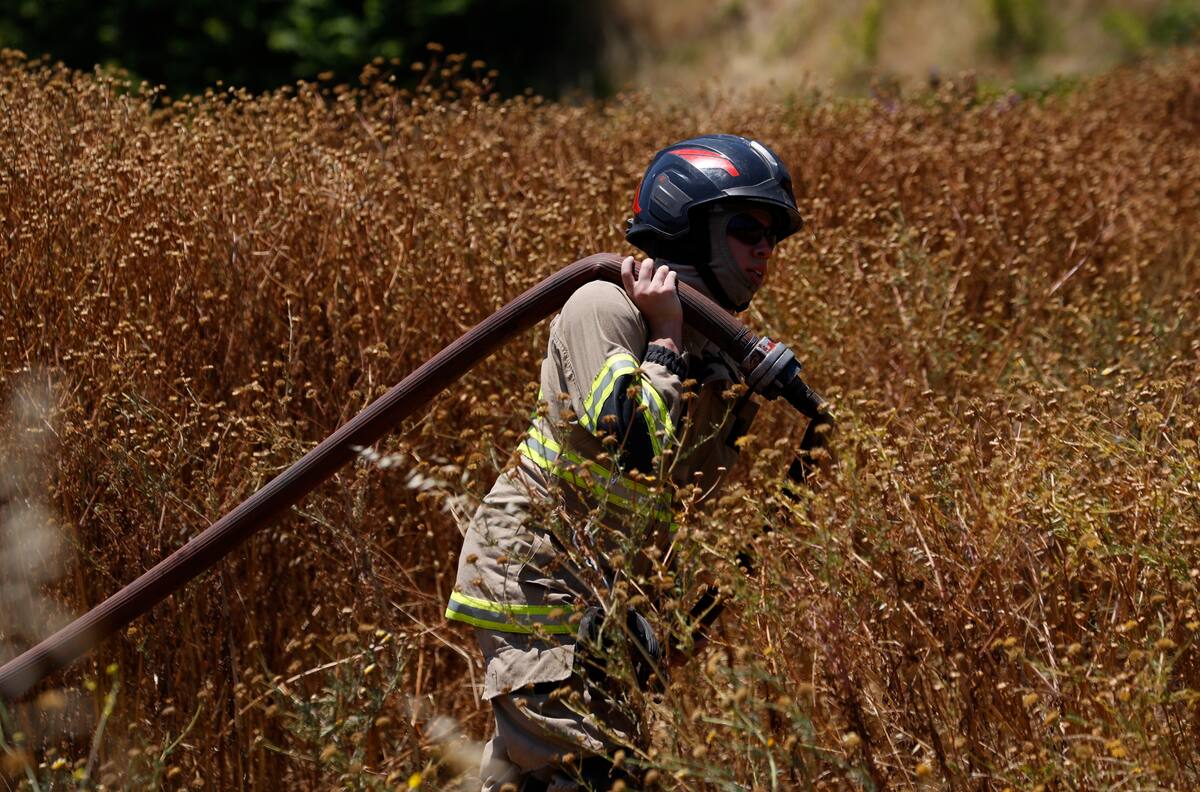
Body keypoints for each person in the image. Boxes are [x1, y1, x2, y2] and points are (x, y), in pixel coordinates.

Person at [446, 134, 804, 792]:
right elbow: (634, 443)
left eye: (773, 237)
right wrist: (666, 336)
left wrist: (738, 393)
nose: (764, 250)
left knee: (582, 775)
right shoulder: (604, 305)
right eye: (748, 228)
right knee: (585, 774)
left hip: (607, 593)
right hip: (540, 579)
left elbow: (689, 493)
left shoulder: (713, 348)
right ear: (689, 226)